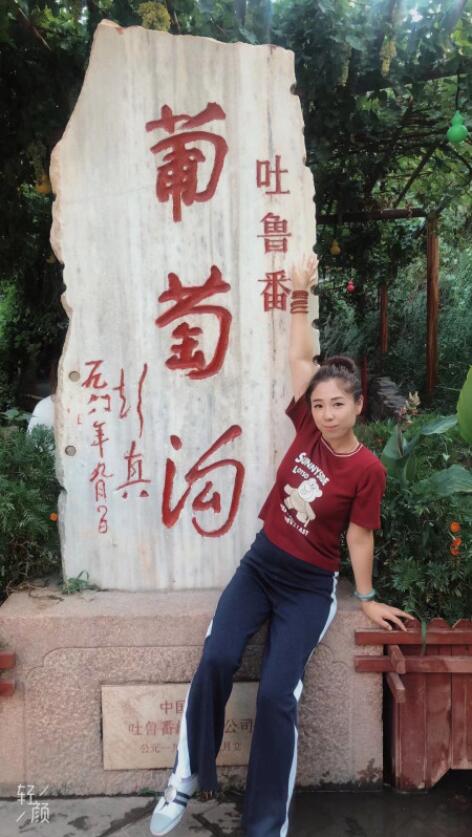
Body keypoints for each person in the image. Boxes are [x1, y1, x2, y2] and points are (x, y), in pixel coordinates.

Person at [149, 253, 415, 837]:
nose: (326, 413)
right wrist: (299, 292)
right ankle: (186, 776)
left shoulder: (367, 469)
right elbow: (300, 358)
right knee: (217, 657)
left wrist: (366, 596)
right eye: (318, 404)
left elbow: (359, 534)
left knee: (276, 695)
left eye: (337, 404)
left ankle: (266, 825)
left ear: (359, 406)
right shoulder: (307, 428)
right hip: (261, 565)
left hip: (307, 589)